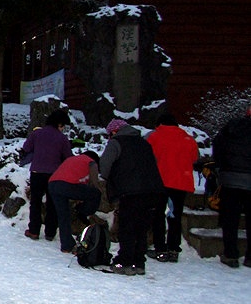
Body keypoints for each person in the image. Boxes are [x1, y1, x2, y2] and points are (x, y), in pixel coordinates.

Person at [98, 118, 166, 276]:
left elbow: (105, 164)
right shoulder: (144, 143)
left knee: (127, 226)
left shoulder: (116, 143)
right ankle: (139, 262)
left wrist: (108, 178)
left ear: (114, 132)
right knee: (141, 228)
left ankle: (124, 261)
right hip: (153, 190)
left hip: (130, 191)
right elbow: (153, 163)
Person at [147, 113, 200, 262]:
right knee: (175, 216)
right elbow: (195, 158)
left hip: (160, 181)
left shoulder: (155, 137)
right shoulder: (188, 139)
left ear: (160, 124)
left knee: (158, 216)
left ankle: (160, 248)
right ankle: (173, 248)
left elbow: (147, 157)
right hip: (181, 182)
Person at [21, 109, 72, 242]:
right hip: (54, 174)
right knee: (52, 203)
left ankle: (34, 231)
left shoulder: (37, 133)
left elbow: (26, 148)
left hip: (37, 172)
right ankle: (50, 232)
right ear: (59, 124)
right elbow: (68, 157)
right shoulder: (62, 138)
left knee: (36, 202)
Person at [212, 101, 251, 268]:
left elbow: (218, 146)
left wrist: (221, 168)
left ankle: (230, 254)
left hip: (230, 179)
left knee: (230, 219)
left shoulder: (232, 127)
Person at [48, 150, 104, 254]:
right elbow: (93, 183)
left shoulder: (72, 159)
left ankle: (67, 245)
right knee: (95, 194)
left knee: (63, 216)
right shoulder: (91, 162)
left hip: (52, 184)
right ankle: (83, 212)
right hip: (67, 185)